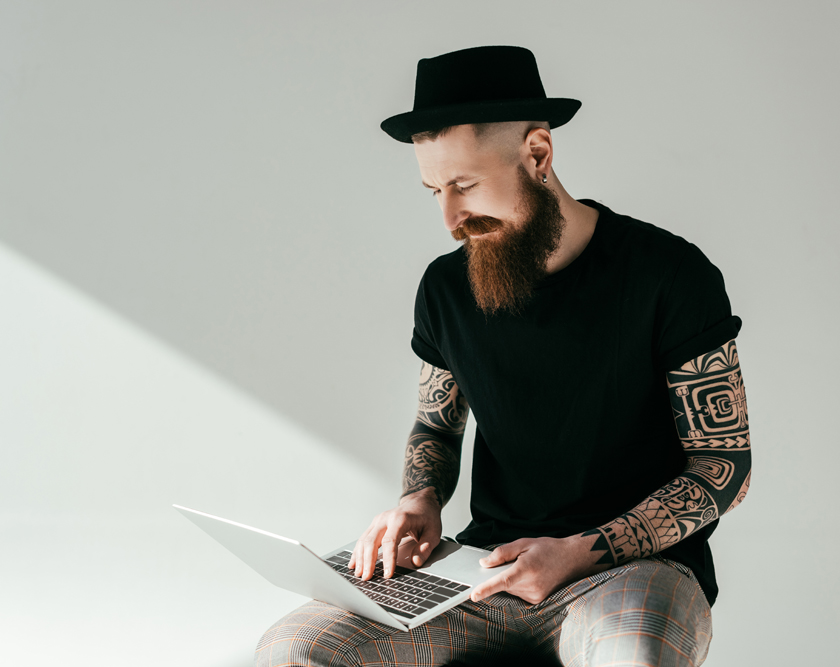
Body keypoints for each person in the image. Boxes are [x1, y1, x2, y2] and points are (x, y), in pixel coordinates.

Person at [254, 45, 750, 667]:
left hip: (631, 567)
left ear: (538, 153)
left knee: (632, 659)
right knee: (290, 651)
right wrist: (420, 500)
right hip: (483, 569)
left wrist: (582, 549)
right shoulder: (443, 288)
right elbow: (435, 426)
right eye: (433, 190)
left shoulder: (671, 274)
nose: (450, 218)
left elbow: (725, 463)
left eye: (464, 186)